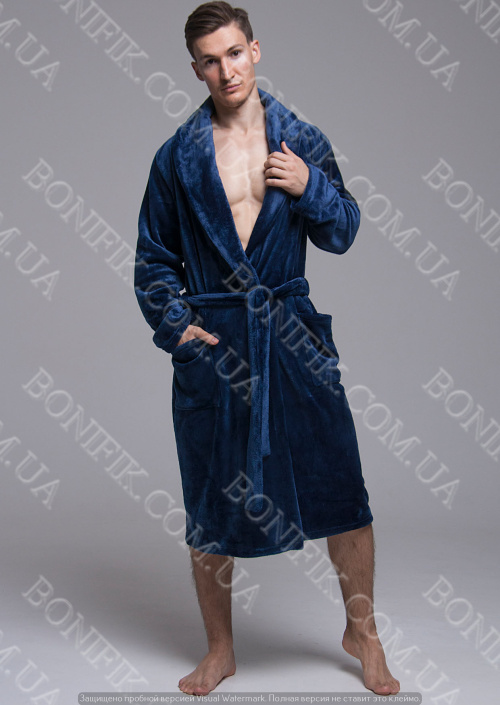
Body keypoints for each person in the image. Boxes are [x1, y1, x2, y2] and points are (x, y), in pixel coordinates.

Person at [134, 0, 400, 697]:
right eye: (210, 61)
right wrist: (178, 328)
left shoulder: (301, 139)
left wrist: (312, 189)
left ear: (255, 50)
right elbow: (153, 260)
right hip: (218, 348)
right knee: (209, 499)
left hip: (293, 340)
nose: (226, 71)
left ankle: (363, 633)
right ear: (195, 69)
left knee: (342, 489)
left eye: (234, 53)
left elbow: (343, 231)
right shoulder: (178, 158)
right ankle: (220, 649)